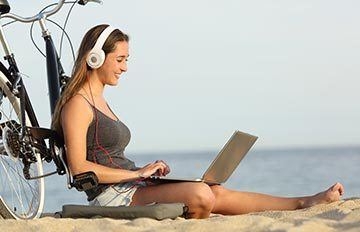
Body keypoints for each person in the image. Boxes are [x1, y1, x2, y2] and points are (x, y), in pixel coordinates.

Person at [51, 24, 345, 219]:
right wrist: (137, 173)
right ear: (95, 58)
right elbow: (79, 169)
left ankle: (303, 202)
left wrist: (145, 173)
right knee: (201, 194)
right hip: (111, 197)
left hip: (132, 186)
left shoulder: (100, 100)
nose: (125, 67)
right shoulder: (78, 104)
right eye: (120, 59)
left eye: (127, 59)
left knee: (213, 189)